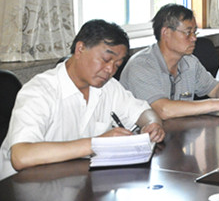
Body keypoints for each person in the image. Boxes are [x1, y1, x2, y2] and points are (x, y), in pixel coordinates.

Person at [0, 20, 165, 180]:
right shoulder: (40, 91)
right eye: (106, 60)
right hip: (23, 185)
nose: (110, 70)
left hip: (75, 180)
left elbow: (144, 112)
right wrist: (97, 143)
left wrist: (152, 124)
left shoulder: (108, 87)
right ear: (80, 49)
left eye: (117, 65)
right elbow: (21, 157)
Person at [121, 4, 219, 119]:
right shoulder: (141, 66)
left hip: (179, 134)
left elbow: (216, 89)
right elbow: (163, 110)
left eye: (195, 32)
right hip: (141, 139)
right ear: (166, 33)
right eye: (188, 32)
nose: (194, 38)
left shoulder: (189, 62)